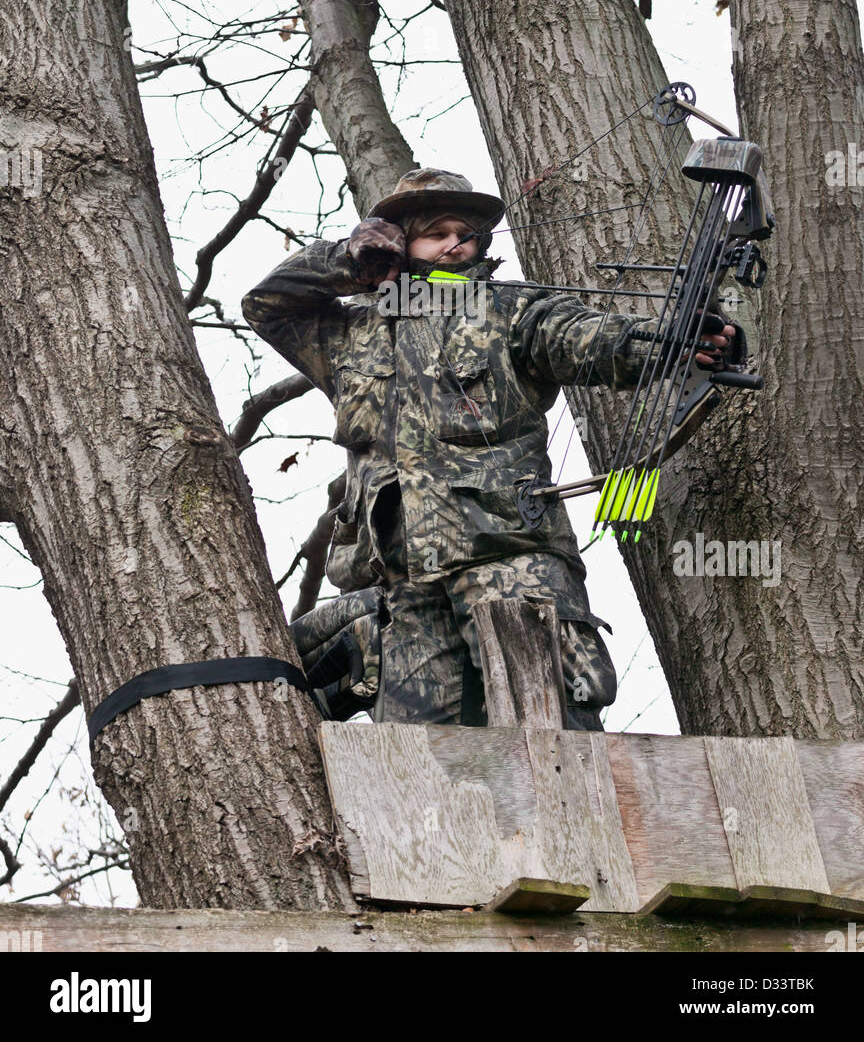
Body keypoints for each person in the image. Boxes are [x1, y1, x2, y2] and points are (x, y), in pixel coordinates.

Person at [241, 168, 735, 729]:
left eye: (467, 233)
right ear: (401, 243)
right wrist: (346, 260)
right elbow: (265, 305)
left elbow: (586, 339)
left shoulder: (511, 311)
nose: (456, 243)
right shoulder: (350, 334)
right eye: (437, 232)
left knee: (553, 736)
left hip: (512, 563)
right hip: (407, 587)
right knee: (418, 760)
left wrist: (676, 341)